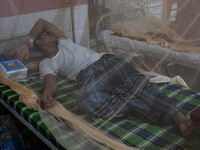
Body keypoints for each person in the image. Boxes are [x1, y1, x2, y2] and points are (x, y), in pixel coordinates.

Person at [16, 18, 194, 137]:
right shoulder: (47, 62)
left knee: (140, 83)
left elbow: (42, 22)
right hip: (88, 77)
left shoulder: (64, 41)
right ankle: (132, 100)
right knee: (85, 99)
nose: (51, 34)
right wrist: (47, 95)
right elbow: (50, 81)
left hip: (106, 61)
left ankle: (177, 117)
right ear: (38, 43)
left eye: (51, 33)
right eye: (46, 35)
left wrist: (26, 42)